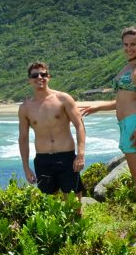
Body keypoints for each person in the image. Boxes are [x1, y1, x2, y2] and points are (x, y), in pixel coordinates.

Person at [80, 27, 136, 236]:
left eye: (133, 44)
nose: (129, 48)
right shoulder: (127, 67)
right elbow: (122, 100)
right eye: (125, 45)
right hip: (126, 125)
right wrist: (98, 107)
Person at [18, 62, 86, 198]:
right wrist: (26, 168)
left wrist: (80, 155)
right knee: (50, 205)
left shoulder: (63, 99)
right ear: (29, 80)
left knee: (73, 203)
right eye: (35, 75)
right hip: (43, 160)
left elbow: (79, 125)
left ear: (48, 76)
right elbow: (23, 138)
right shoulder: (25, 108)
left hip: (66, 157)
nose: (39, 77)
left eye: (43, 74)